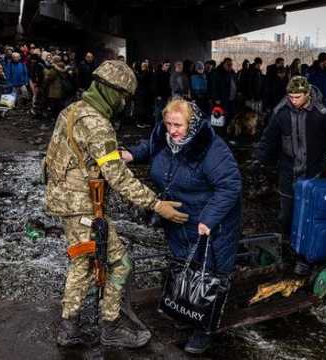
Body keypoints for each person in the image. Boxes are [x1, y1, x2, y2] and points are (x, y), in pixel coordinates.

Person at [44, 60, 188, 348]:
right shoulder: (97, 124)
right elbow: (118, 177)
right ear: (112, 91)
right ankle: (111, 327)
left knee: (82, 262)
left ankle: (68, 328)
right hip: (82, 206)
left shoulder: (73, 110)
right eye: (123, 96)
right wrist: (156, 205)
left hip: (65, 202)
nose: (124, 103)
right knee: (120, 263)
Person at [122, 99, 241, 354]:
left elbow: (230, 186)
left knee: (208, 274)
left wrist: (208, 219)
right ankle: (187, 316)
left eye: (178, 125)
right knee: (185, 268)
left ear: (193, 124)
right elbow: (149, 147)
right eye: (168, 124)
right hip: (178, 220)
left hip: (210, 224)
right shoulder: (165, 138)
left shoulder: (210, 148)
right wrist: (130, 154)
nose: (172, 130)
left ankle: (205, 329)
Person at [255, 76, 326, 274]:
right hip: (289, 171)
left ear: (307, 94)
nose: (293, 100)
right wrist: (259, 158)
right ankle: (287, 248)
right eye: (290, 96)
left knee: (310, 216)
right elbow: (269, 137)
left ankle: (306, 257)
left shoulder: (323, 111)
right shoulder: (281, 111)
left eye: (297, 97)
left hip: (315, 172)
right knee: (286, 215)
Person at [43, 56, 73, 120]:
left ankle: (55, 117)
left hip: (54, 90)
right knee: (60, 105)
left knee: (54, 105)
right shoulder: (64, 67)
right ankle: (60, 116)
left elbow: (49, 78)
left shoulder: (54, 69)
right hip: (62, 89)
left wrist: (46, 72)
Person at [211, 58, 237, 122]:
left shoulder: (232, 72)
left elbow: (235, 83)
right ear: (223, 64)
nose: (230, 66)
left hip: (232, 99)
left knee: (231, 116)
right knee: (221, 117)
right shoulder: (218, 73)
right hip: (222, 99)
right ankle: (221, 130)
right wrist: (216, 98)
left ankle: (229, 129)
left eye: (231, 64)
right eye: (228, 64)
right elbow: (214, 87)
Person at [134, 61, 154, 128]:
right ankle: (140, 122)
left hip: (143, 93)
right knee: (142, 109)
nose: (144, 67)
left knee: (143, 109)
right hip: (142, 93)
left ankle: (142, 122)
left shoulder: (143, 73)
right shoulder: (146, 73)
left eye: (145, 66)